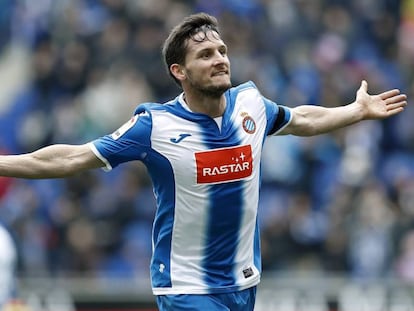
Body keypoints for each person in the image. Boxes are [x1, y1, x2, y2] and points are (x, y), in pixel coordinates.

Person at [0, 12, 407, 311]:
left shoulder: (250, 103)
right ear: (179, 71)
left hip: (243, 282)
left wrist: (354, 112)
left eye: (222, 50)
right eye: (206, 54)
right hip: (187, 288)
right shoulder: (154, 125)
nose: (220, 59)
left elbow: (301, 118)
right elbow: (72, 157)